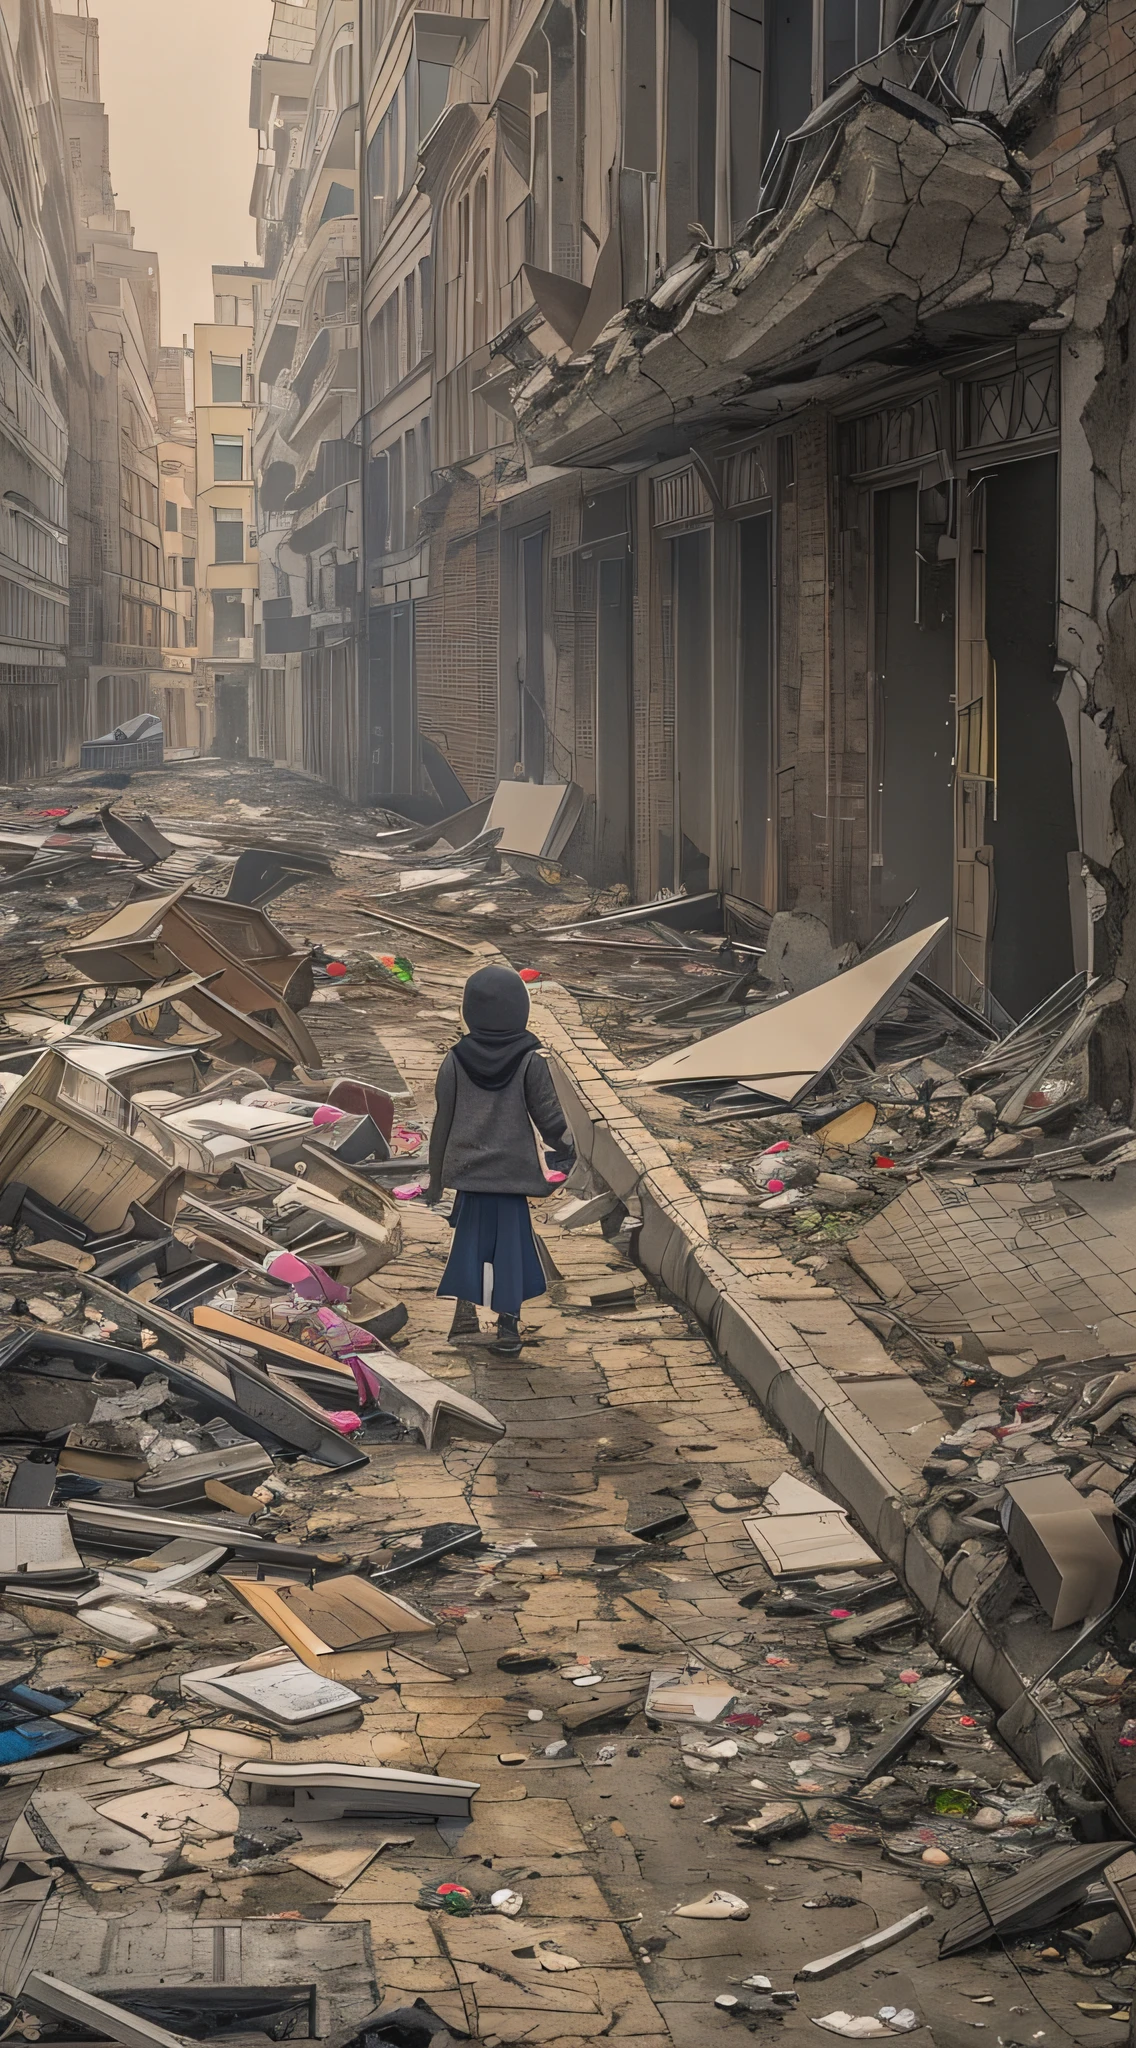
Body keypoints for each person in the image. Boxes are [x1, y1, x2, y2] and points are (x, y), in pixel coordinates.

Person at [426, 963, 575, 1356]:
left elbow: (442, 1121)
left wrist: (436, 1177)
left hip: (470, 1175)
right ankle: (508, 1329)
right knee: (511, 1249)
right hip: (512, 1176)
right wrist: (568, 1153)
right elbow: (550, 1117)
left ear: (469, 1010)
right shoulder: (531, 1060)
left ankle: (464, 1316)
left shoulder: (454, 1060)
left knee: (468, 1244)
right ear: (519, 1009)